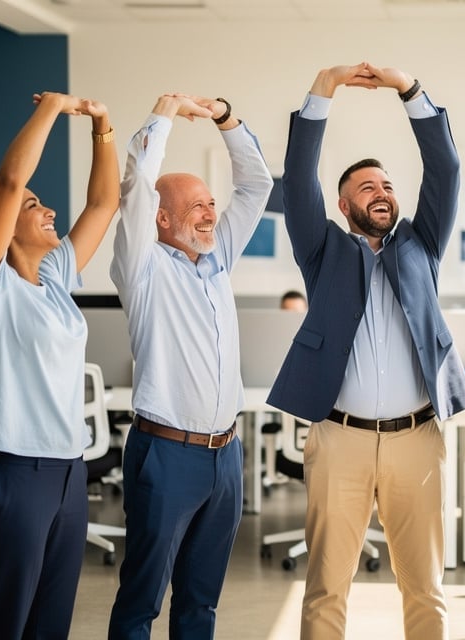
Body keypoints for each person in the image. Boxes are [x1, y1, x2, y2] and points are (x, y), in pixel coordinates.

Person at [267, 62, 465, 640]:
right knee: (328, 586)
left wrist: (408, 90)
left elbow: (447, 166)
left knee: (425, 588)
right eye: (367, 187)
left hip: (417, 438)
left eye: (387, 186)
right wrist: (324, 89)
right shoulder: (323, 249)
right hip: (341, 441)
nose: (381, 193)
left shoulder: (421, 245)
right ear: (343, 206)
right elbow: (299, 174)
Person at [0, 91, 119, 638]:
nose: (49, 212)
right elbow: (11, 183)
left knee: (50, 626)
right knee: (2, 625)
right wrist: (52, 108)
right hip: (10, 472)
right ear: (2, 221)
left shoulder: (56, 276)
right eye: (37, 205)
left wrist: (102, 125)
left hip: (67, 471)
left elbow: (104, 205)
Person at [107, 93, 273, 639]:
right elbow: (133, 191)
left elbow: (257, 186)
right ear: (161, 218)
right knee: (142, 599)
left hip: (225, 456)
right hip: (166, 455)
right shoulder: (144, 267)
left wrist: (225, 119)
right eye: (198, 205)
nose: (211, 212)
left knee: (201, 603)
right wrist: (164, 116)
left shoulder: (218, 254)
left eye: (209, 203)